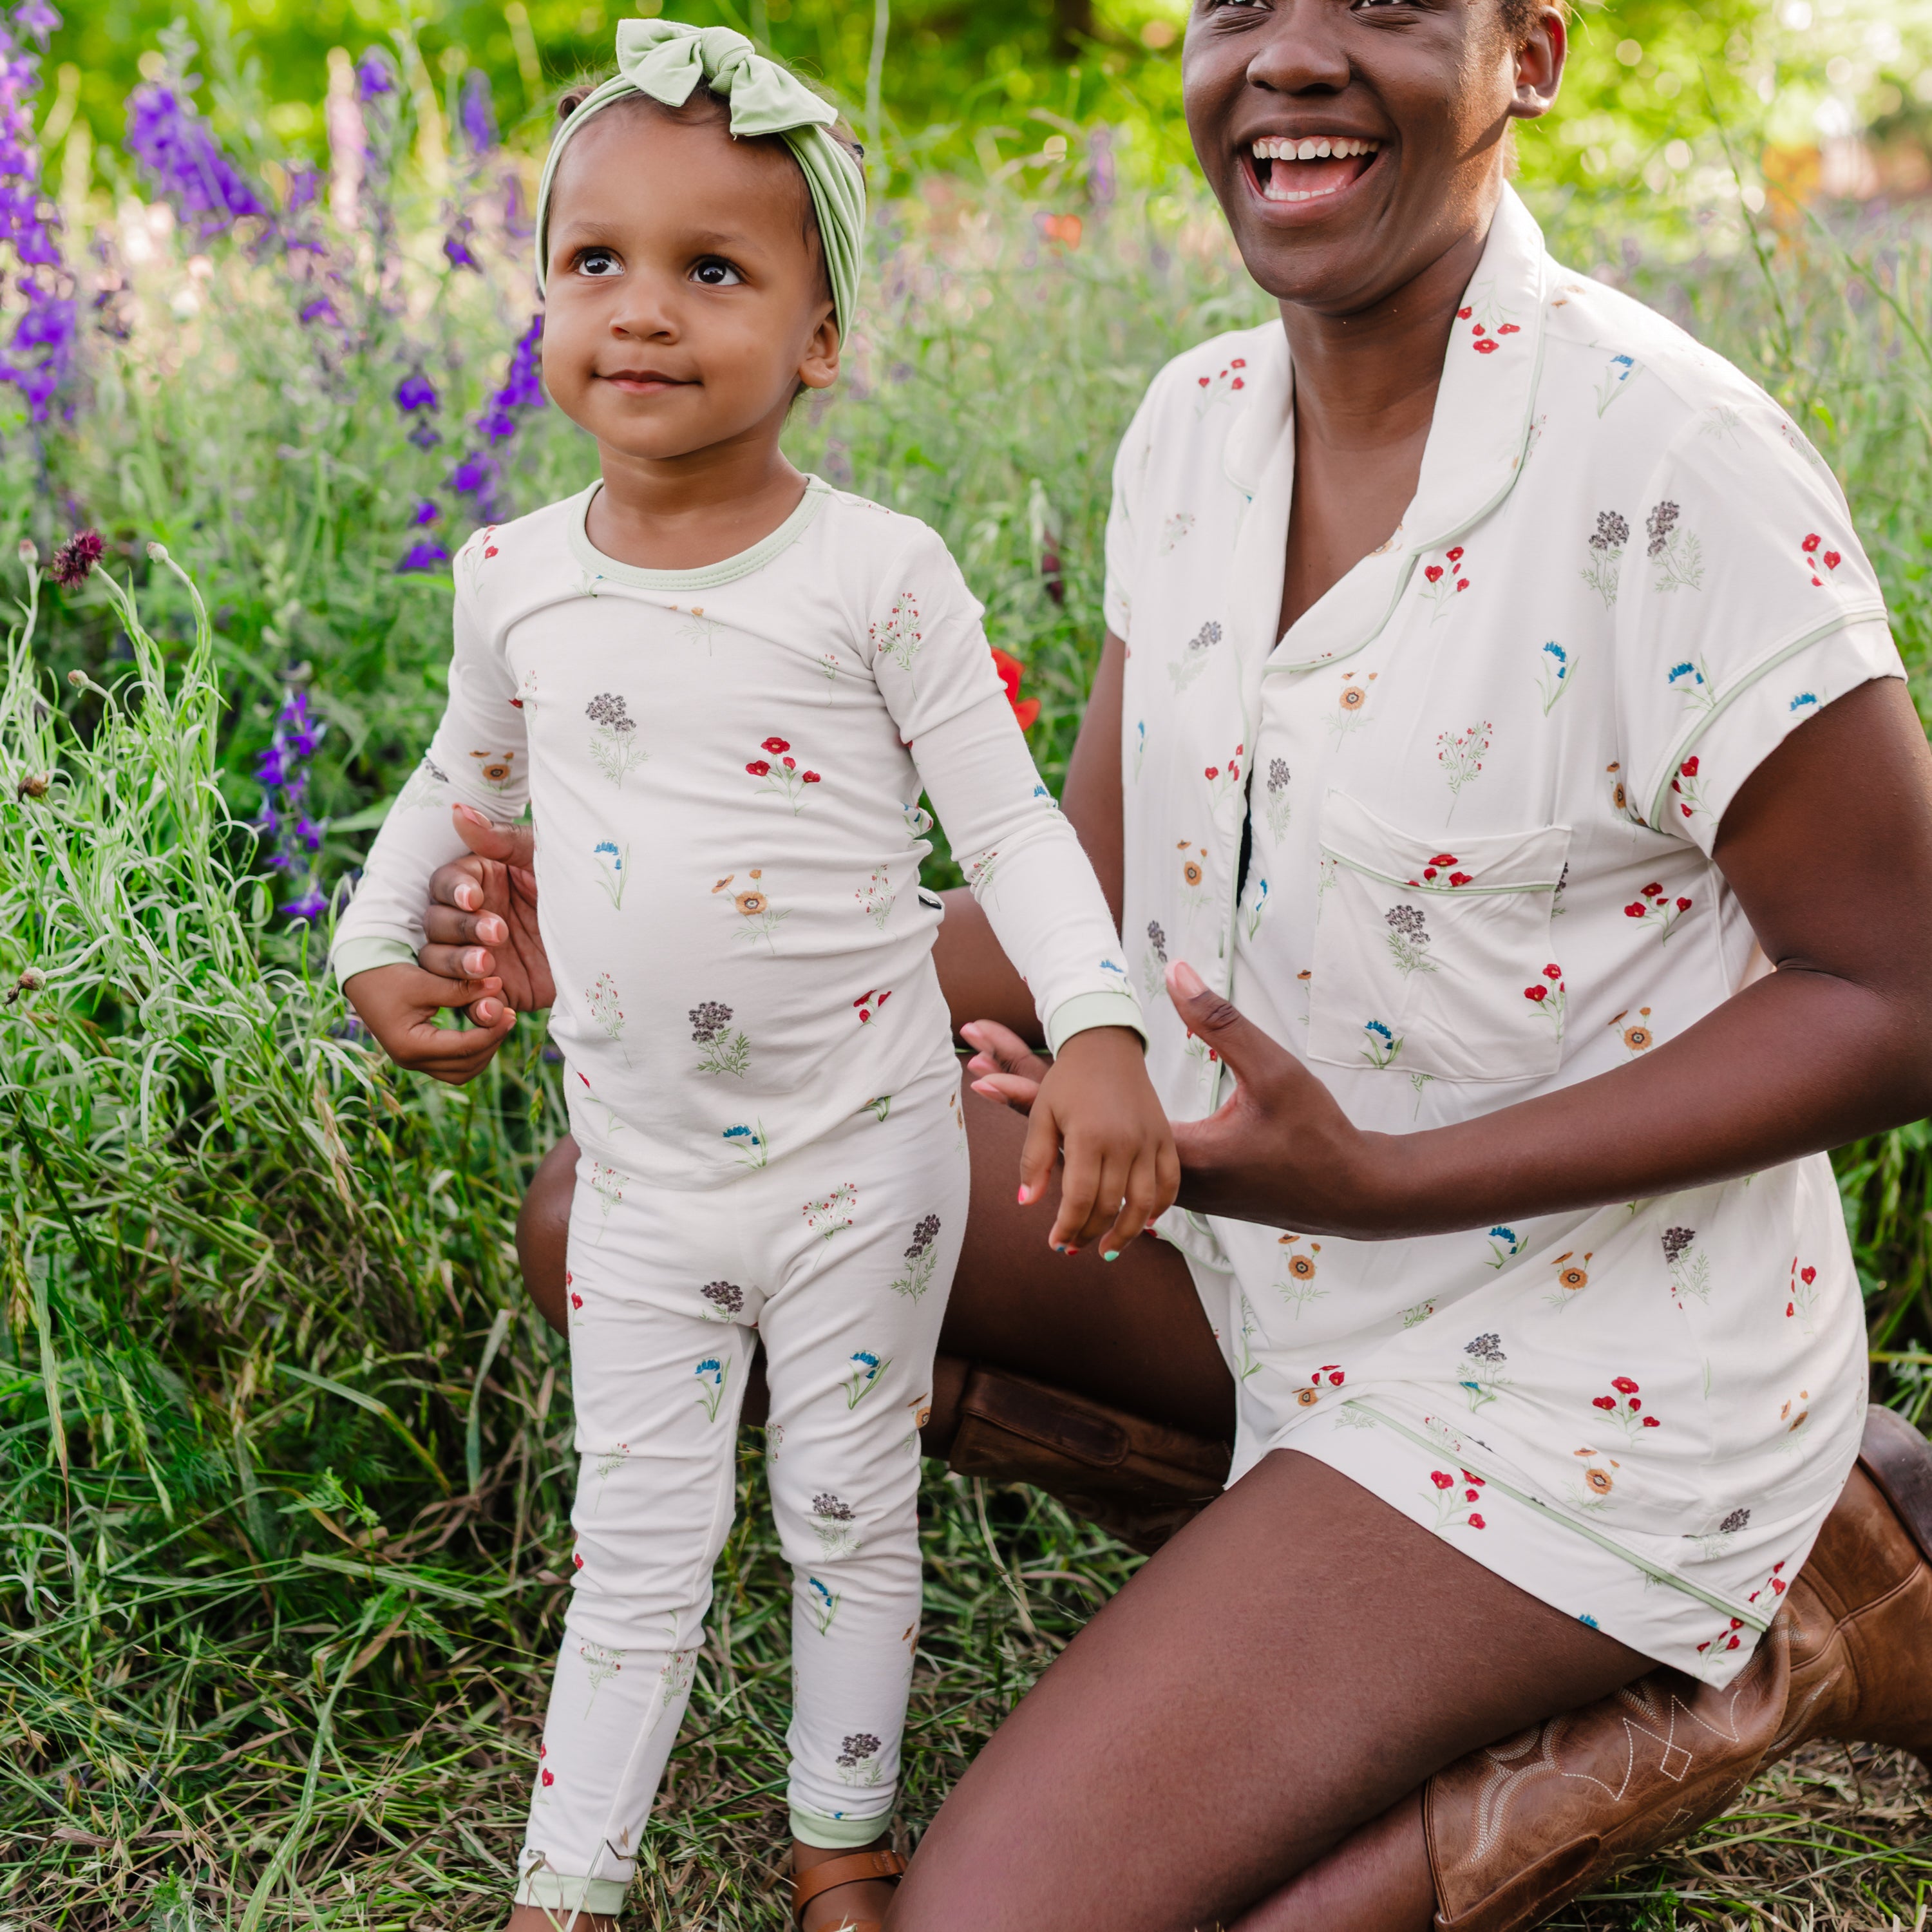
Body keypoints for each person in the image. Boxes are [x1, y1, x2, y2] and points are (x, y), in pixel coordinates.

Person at [386, 0, 1932, 1924]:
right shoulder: (1195, 429)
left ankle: (1815, 1607)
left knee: (991, 1917)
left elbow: (1899, 992)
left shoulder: (1674, 467)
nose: (1290, 56)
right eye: (1240, 8)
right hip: (1236, 1237)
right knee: (629, 1211)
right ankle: (1283, 1548)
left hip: (1569, 1363)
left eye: (1378, 4)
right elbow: (1091, 878)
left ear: (1528, 52)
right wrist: (673, 977)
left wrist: (1387, 1186)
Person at [333, 24, 1177, 1931]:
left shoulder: (876, 577)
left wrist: (1104, 1026)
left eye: (714, 271)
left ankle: (843, 1854)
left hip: (866, 1148)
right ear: (542, 296)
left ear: (817, 337)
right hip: (637, 1168)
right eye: (595, 261)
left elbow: (1018, 832)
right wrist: (373, 950)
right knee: (632, 1536)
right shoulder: (514, 576)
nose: (643, 312)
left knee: (844, 1508)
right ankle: (568, 1885)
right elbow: (463, 791)